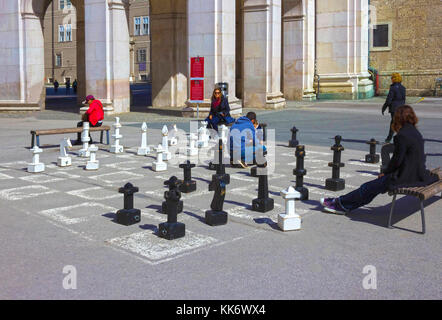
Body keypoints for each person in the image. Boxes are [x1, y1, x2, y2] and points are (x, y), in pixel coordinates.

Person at [321, 105, 439, 215]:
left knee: (367, 188)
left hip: (406, 177)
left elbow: (397, 160)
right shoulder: (415, 132)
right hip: (418, 174)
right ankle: (343, 203)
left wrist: (385, 173)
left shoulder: (402, 136)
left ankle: (341, 204)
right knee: (371, 188)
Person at [382, 72, 406, 143]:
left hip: (394, 108)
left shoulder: (392, 88)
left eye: (392, 78)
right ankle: (399, 137)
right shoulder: (403, 88)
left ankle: (389, 138)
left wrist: (384, 107)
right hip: (401, 108)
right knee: (400, 122)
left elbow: (389, 99)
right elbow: (404, 99)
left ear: (394, 79)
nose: (391, 79)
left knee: (393, 123)